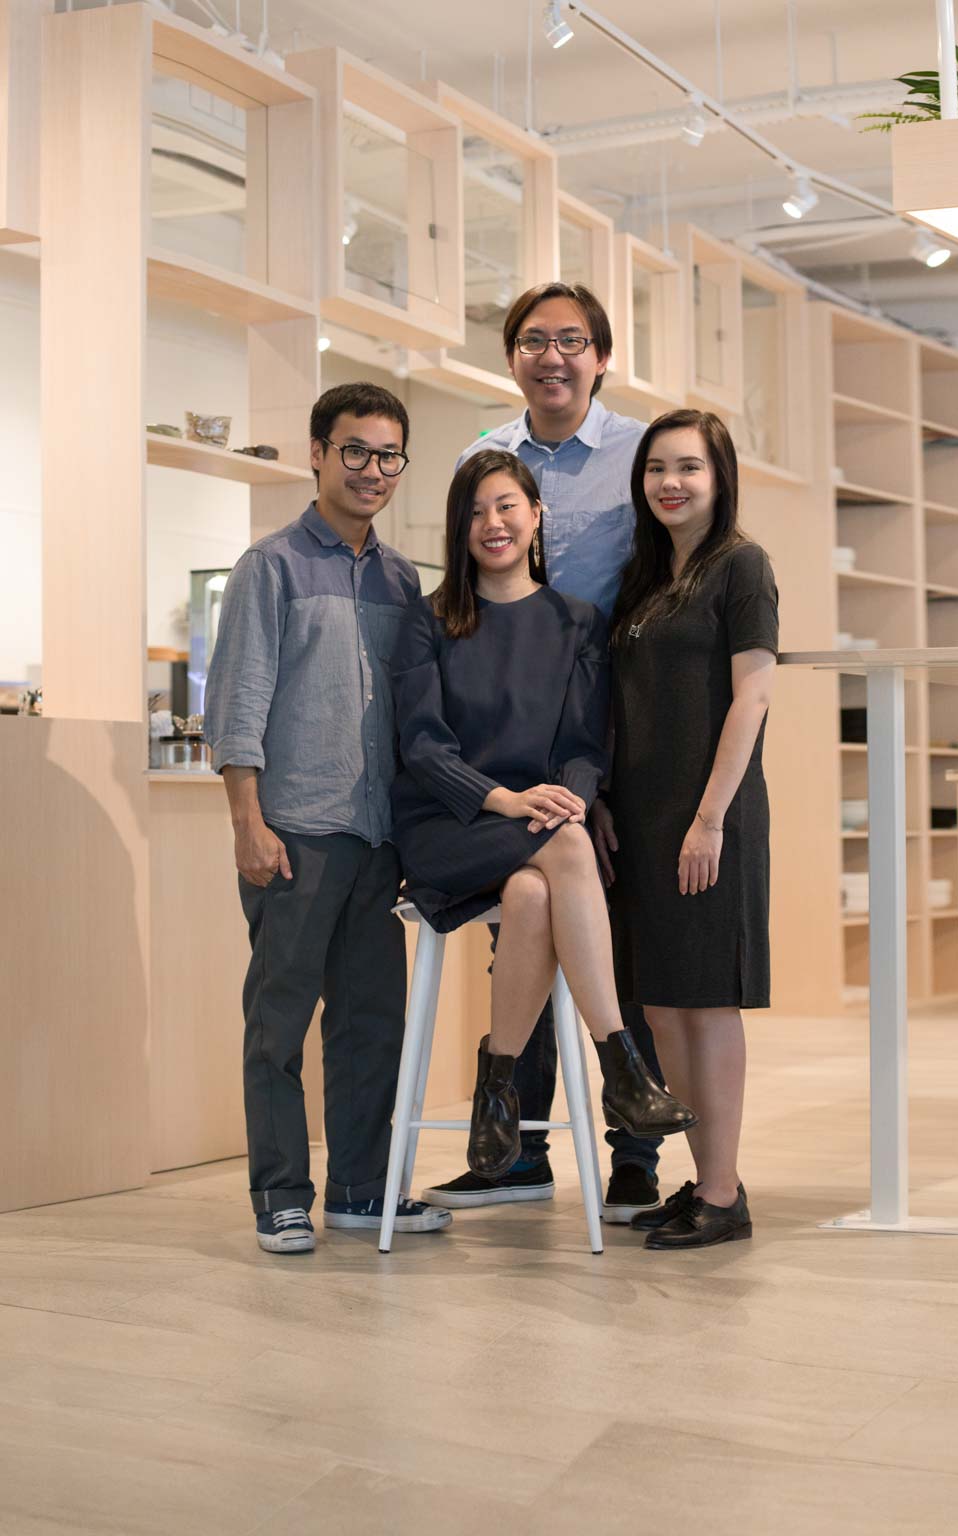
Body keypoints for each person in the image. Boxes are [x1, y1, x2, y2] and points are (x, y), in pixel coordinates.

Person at [420, 281, 667, 1223]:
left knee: (615, 930)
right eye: (533, 340)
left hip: (615, 725)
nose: (552, 356)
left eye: (571, 340)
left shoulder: (640, 452)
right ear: (511, 356)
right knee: (530, 912)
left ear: (601, 356)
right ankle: (530, 1143)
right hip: (505, 754)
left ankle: (632, 1158)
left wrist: (577, 782)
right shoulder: (482, 456)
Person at [390, 449, 695, 1178]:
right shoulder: (428, 620)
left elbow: (585, 747)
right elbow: (423, 747)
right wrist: (507, 800)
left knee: (533, 892)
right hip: (448, 825)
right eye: (474, 511)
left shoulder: (578, 622)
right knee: (569, 847)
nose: (491, 523)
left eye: (505, 506)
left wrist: (569, 798)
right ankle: (620, 1067)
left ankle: (496, 1087)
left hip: (537, 829)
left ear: (536, 515)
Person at [204, 382, 452, 1254]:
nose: (372, 470)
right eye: (355, 450)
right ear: (317, 453)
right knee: (279, 1024)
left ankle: (359, 1190)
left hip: (378, 838)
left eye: (389, 455)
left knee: (370, 1025)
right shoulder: (269, 566)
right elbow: (238, 702)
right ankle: (280, 1195)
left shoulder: (401, 578)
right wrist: (247, 820)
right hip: (296, 834)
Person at [592, 408, 778, 1250]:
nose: (670, 483)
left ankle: (724, 1191)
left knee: (707, 1003)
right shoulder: (643, 576)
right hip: (640, 819)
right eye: (656, 468)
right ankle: (705, 1183)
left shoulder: (742, 566)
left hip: (708, 817)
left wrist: (709, 820)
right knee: (662, 1004)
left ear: (719, 476)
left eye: (689, 467)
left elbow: (753, 696)